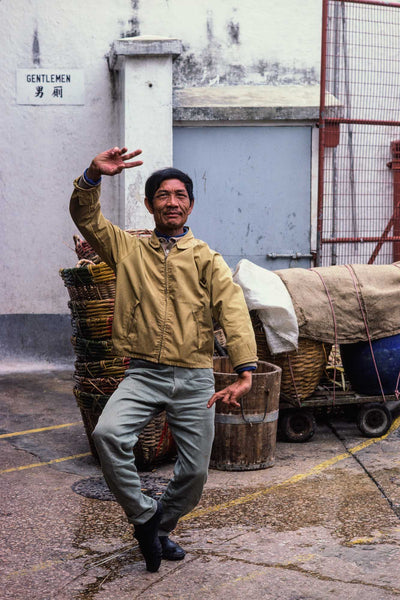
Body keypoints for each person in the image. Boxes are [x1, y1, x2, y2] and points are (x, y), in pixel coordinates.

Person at [70, 146, 258, 572]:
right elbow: (87, 218)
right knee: (107, 436)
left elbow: (233, 309)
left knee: (194, 474)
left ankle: (159, 527)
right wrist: (91, 176)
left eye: (179, 195)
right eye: (162, 195)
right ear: (150, 203)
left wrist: (245, 369)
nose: (171, 202)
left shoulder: (207, 258)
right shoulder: (128, 251)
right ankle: (144, 516)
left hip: (194, 376)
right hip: (143, 373)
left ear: (190, 204)